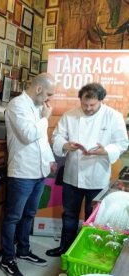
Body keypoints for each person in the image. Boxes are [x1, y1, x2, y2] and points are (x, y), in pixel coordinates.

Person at [46, 83, 128, 257]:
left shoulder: (113, 116)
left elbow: (122, 143)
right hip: (72, 175)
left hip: (97, 176)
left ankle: (89, 252)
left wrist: (105, 150)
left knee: (94, 218)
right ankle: (66, 248)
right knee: (69, 215)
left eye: (92, 105)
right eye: (85, 104)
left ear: (100, 100)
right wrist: (66, 145)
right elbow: (57, 137)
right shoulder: (70, 116)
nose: (88, 108)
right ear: (80, 100)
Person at [0, 73, 56, 276]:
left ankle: (23, 250)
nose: (50, 99)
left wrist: (50, 159)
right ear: (39, 88)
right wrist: (45, 119)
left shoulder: (39, 107)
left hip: (39, 170)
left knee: (30, 214)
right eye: (48, 93)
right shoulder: (18, 105)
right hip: (22, 171)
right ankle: (7, 258)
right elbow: (28, 135)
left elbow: (41, 140)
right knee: (13, 217)